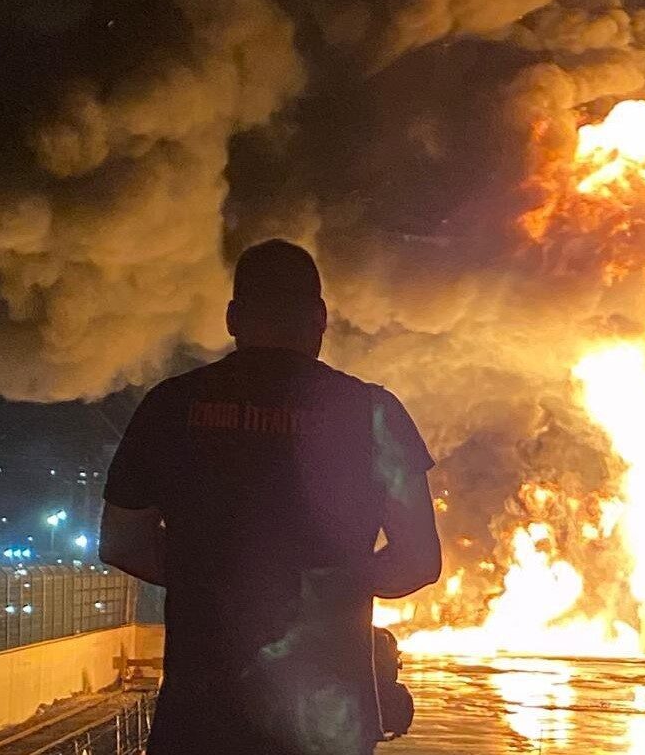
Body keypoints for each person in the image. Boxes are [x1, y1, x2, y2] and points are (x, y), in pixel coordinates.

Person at [99, 239, 441, 755]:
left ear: (233, 318)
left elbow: (121, 543)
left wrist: (215, 578)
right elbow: (419, 561)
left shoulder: (170, 406)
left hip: (201, 719)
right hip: (326, 726)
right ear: (320, 316)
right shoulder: (374, 414)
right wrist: (331, 586)